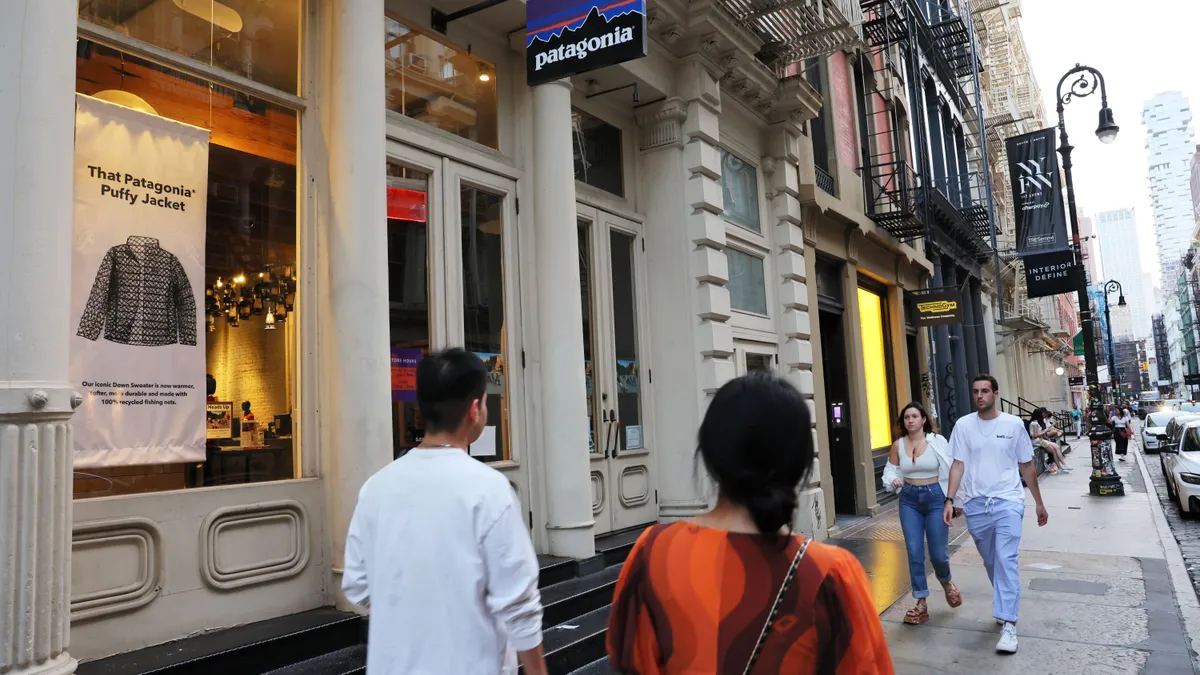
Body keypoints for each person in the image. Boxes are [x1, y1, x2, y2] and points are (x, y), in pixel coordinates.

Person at [607, 373, 892, 674]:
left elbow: (629, 661)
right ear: (799, 464)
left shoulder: (653, 552)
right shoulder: (830, 574)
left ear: (710, 453)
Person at [343, 348, 547, 675]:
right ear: (475, 409)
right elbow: (519, 605)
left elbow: (357, 584)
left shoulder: (375, 489)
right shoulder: (490, 491)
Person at [943, 374, 1048, 654]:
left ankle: (1009, 627)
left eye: (985, 391)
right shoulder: (963, 425)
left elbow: (1026, 466)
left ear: (996, 394)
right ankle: (1005, 604)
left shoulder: (1014, 425)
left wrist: (1038, 502)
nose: (980, 396)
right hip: (977, 505)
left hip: (1008, 502)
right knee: (992, 562)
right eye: (976, 391)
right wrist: (950, 500)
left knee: (1006, 559)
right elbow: (957, 465)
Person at [882, 402, 962, 625]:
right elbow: (890, 471)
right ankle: (921, 602)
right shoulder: (898, 445)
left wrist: (953, 500)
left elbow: (953, 468)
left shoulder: (937, 442)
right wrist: (893, 480)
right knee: (914, 551)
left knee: (938, 554)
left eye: (914, 416)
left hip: (935, 497)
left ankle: (947, 583)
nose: (910, 420)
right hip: (909, 499)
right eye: (906, 417)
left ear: (923, 419)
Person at [1029, 408, 1071, 474]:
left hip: (1040, 440)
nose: (1044, 415)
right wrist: (1045, 431)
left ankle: (1060, 467)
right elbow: (1035, 435)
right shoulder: (1034, 423)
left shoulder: (1037, 422)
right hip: (1037, 441)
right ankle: (1063, 465)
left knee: (1054, 450)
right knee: (1056, 447)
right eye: (1043, 413)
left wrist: (1046, 433)